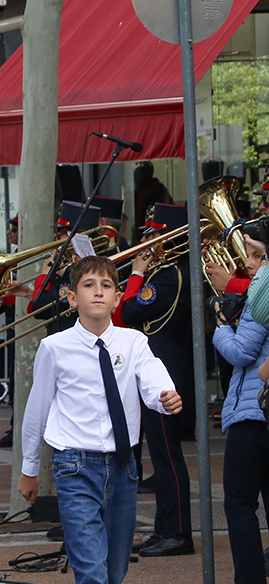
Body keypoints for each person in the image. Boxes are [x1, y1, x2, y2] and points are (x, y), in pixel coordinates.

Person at [18, 257, 183, 584]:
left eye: (106, 285)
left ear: (117, 296)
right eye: (88, 285)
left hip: (123, 467)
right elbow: (37, 409)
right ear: (72, 298)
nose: (97, 292)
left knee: (112, 573)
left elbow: (152, 381)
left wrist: (165, 397)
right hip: (75, 467)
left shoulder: (133, 342)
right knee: (90, 571)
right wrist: (29, 468)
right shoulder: (54, 348)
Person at [205, 220, 269, 584]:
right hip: (259, 409)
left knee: (240, 504)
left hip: (254, 412)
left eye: (256, 254)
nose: (249, 262)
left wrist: (219, 327)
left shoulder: (262, 292)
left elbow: (242, 352)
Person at [118, 236, 194, 557]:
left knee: (167, 457)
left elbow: (128, 312)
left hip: (163, 376)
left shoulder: (166, 276)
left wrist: (136, 274)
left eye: (152, 235)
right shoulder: (164, 273)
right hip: (155, 372)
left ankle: (177, 532)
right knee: (160, 457)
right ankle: (164, 529)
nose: (145, 242)